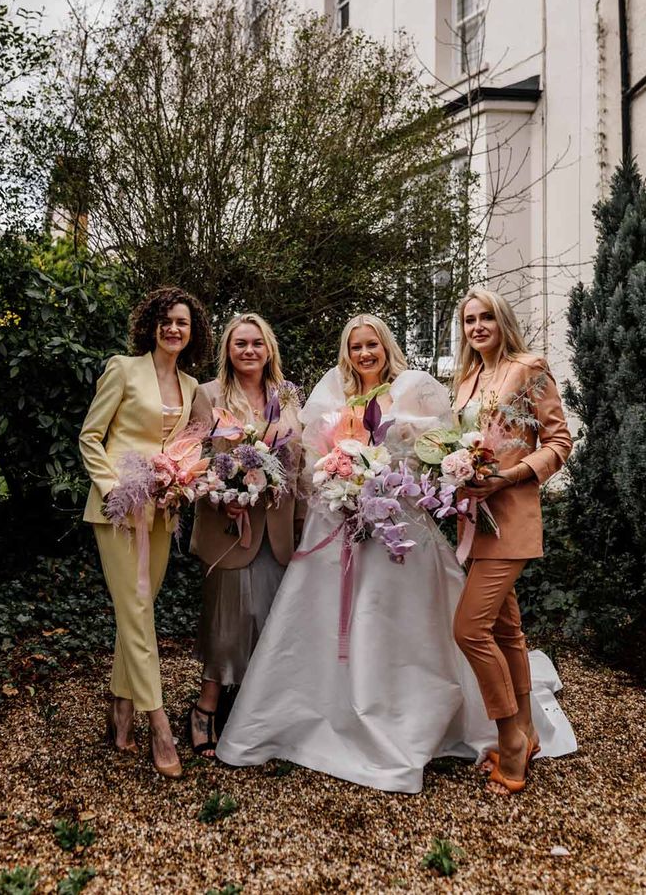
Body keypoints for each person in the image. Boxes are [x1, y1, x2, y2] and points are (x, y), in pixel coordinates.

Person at [215, 313, 576, 793]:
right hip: (343, 522)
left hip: (400, 525)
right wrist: (341, 481)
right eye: (356, 346)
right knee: (488, 626)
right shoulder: (332, 395)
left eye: (373, 345)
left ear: (386, 347)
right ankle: (333, 711)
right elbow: (310, 461)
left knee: (429, 622)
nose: (365, 353)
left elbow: (435, 457)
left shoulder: (415, 390)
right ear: (347, 353)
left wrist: (383, 479)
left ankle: (470, 723)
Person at [79, 286, 212, 778]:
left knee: (140, 607)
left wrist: (182, 481)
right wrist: (118, 488)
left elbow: (190, 447)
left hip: (163, 511)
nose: (173, 328)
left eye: (182, 322)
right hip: (118, 509)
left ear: (192, 331)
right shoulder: (122, 368)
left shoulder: (193, 386)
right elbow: (91, 436)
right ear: (151, 326)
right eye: (165, 320)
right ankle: (157, 722)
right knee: (136, 611)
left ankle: (119, 706)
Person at [451, 288, 573, 795]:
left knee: (468, 629)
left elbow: (560, 441)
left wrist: (512, 475)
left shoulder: (529, 367)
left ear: (502, 321)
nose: (477, 326)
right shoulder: (464, 379)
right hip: (473, 521)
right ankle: (526, 731)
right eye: (469, 320)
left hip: (513, 516)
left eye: (486, 318)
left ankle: (511, 740)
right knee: (506, 631)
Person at [187, 313, 304, 757]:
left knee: (271, 618)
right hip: (228, 527)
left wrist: (302, 519)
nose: (249, 351)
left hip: (277, 525)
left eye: (257, 343)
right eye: (240, 344)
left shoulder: (288, 394)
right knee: (229, 618)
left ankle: (260, 710)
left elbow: (300, 460)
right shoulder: (208, 394)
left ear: (269, 348)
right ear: (228, 351)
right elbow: (193, 459)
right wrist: (220, 497)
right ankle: (204, 708)